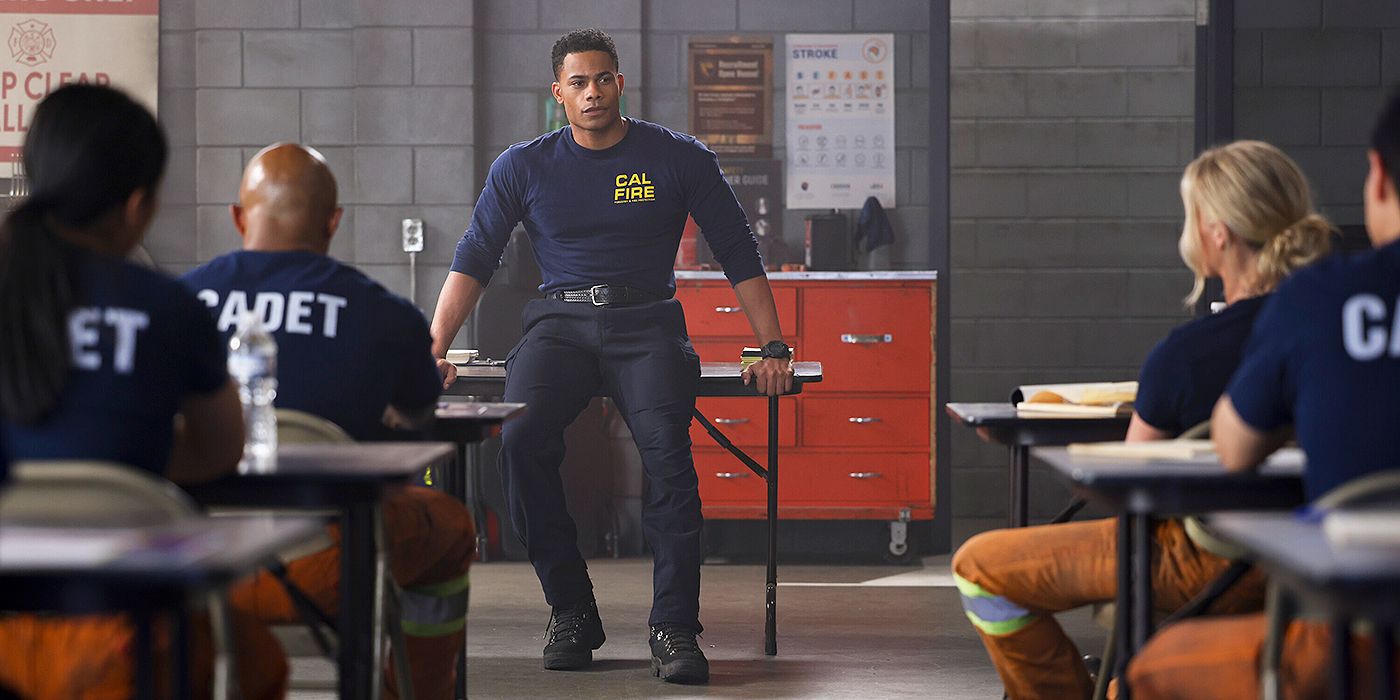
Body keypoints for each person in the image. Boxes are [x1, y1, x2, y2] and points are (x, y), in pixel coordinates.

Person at [428, 28, 793, 684]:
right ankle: (571, 608)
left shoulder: (679, 158)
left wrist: (773, 346)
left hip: (646, 326)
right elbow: (475, 253)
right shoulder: (524, 165)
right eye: (578, 83)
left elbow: (737, 247)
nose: (591, 92)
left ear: (619, 83)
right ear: (558, 94)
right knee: (519, 440)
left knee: (668, 461)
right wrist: (434, 349)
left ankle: (674, 627)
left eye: (602, 79)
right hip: (558, 327)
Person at [951, 140, 1333, 699]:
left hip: (1204, 562)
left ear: (1217, 233)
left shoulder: (1187, 353)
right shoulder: (1342, 335)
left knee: (979, 568)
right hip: (1323, 558)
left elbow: (1127, 486)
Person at [0, 85, 285, 699]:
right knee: (258, 660)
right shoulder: (168, 309)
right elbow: (218, 453)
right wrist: (127, 455)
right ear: (137, 207)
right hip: (123, 642)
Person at [1125, 89, 1400, 700]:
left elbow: (1236, 448)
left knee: (1147, 671)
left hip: (1361, 634)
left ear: (1379, 176)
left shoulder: (1320, 303)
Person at [181, 143, 474, 699]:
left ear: (239, 217)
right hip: (334, 567)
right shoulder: (381, 313)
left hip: (196, 566)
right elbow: (418, 418)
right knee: (451, 524)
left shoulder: (179, 305)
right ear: (333, 221)